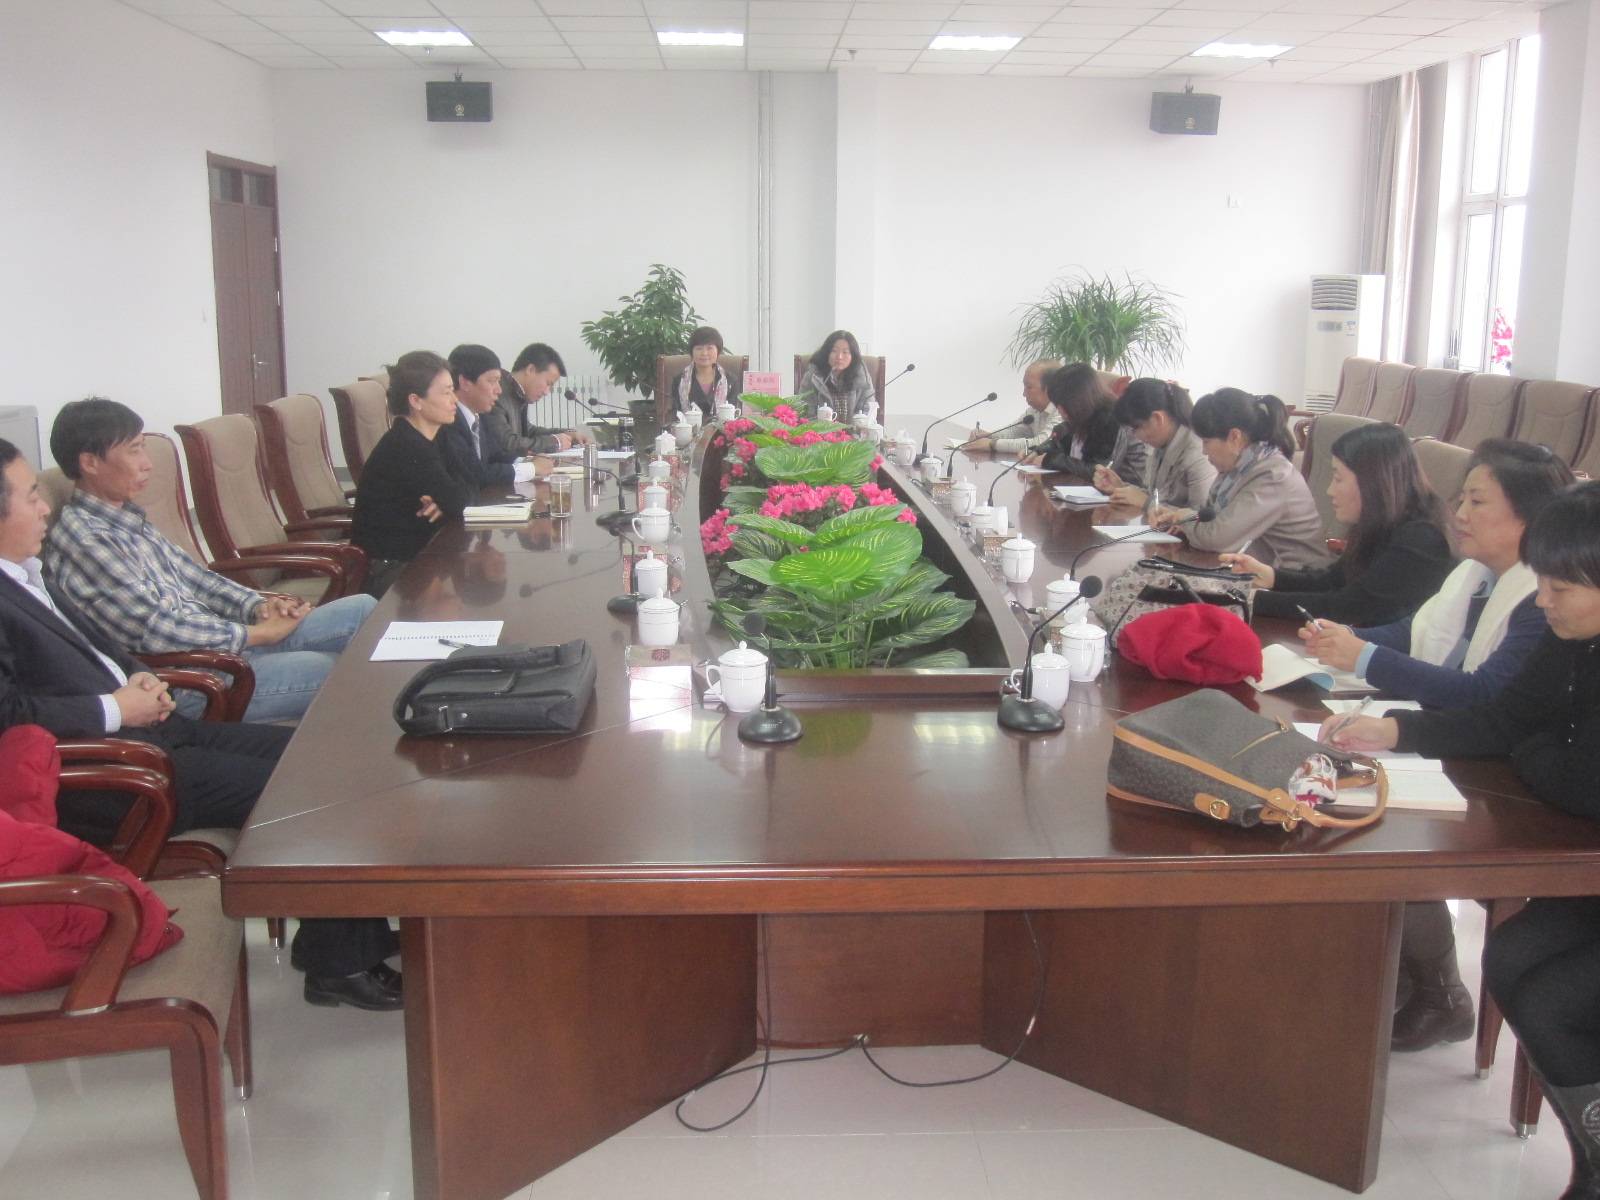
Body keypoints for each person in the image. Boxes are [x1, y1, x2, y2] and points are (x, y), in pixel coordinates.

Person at [0, 439, 398, 1009]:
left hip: (151, 734)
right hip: (108, 773)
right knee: (305, 789)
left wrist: (141, 680)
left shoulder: (26, 573)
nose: (45, 507)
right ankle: (339, 965)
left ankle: (350, 934)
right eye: (31, 496)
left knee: (317, 756)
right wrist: (116, 708)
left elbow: (106, 646)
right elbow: (8, 717)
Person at [1322, 482, 1600, 1193]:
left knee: (1558, 1000)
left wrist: (1534, 750)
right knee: (1511, 954)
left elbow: (1580, 782)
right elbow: (1505, 720)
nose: (1543, 601)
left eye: (1562, 588)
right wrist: (1396, 730)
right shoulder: (1570, 638)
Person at [41, 398, 376, 724]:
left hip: (223, 645)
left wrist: (258, 607)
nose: (147, 463)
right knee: (334, 669)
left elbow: (199, 579)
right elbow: (155, 630)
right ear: (90, 462)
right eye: (134, 450)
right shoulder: (88, 540)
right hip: (196, 679)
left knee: (362, 609)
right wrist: (255, 634)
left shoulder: (124, 517)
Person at [1299, 439, 1574, 709]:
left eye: (1477, 502)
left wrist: (1366, 657)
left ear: (1530, 514)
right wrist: (1347, 637)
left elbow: (1484, 691)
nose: (1460, 515)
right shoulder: (1474, 573)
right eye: (1462, 500)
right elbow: (1417, 630)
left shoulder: (1545, 600)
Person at [1224, 422, 1454, 626]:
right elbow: (1335, 579)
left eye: (1338, 478)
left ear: (1372, 482)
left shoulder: (1420, 539)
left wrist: (1249, 600)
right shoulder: (1383, 523)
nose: (1330, 490)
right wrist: (1271, 576)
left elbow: (1346, 607)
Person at [1150, 388, 1327, 570]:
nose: (1203, 451)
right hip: (1257, 570)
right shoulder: (1237, 468)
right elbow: (1210, 518)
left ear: (1235, 437)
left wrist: (1186, 519)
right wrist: (1178, 520)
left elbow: (1217, 539)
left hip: (1295, 578)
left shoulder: (1273, 477)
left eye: (1206, 441)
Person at [350, 351, 475, 597]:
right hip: (389, 569)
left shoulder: (437, 434)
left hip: (422, 552)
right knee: (468, 589)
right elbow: (460, 502)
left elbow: (472, 482)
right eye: (446, 392)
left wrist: (446, 502)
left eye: (453, 391)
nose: (455, 400)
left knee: (469, 581)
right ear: (416, 401)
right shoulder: (406, 445)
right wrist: (450, 501)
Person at [1092, 378, 1216, 511]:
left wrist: (1146, 503)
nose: (1135, 435)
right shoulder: (1160, 443)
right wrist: (1120, 487)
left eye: (1136, 427)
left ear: (1158, 418)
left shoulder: (1199, 452)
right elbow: (1155, 495)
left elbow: (1200, 517)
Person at [1028, 363, 1146, 483]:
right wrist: (1038, 451)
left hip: (1125, 489)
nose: (1059, 410)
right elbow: (1059, 443)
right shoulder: (1082, 417)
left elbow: (1100, 471)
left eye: (1062, 404)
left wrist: (1052, 460)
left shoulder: (1112, 420)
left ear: (1078, 400)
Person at [487, 342, 592, 456]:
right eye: (548, 383)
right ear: (530, 370)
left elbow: (528, 432)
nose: (547, 392)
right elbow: (507, 443)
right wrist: (555, 442)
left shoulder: (516, 392)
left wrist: (567, 434)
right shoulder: (497, 394)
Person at [966, 360, 1060, 455]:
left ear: (1049, 389)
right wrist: (989, 435)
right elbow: (1014, 432)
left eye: (1029, 387)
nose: (1024, 394)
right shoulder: (1034, 410)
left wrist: (992, 444)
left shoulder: (1062, 412)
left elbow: (1041, 443)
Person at [798, 330, 876, 418]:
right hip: (820, 426)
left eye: (845, 352)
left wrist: (860, 423)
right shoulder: (813, 375)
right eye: (834, 351)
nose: (839, 357)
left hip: (855, 426)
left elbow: (868, 409)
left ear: (853, 355)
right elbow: (804, 410)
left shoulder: (861, 375)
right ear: (827, 353)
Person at [668, 326, 741, 418]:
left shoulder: (731, 381)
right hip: (688, 426)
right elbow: (677, 415)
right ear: (692, 352)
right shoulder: (679, 381)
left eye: (709, 348)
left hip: (721, 427)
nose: (704, 353)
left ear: (718, 351)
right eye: (699, 348)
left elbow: (733, 417)